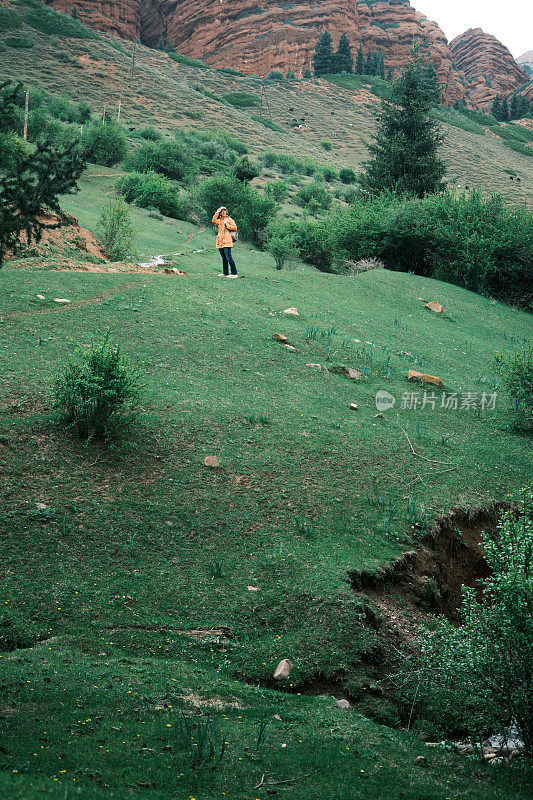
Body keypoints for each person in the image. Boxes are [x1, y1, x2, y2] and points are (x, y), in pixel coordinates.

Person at [212, 206, 238, 277]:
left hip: (227, 241)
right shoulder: (219, 220)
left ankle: (234, 273)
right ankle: (225, 272)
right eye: (222, 211)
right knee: (224, 258)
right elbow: (213, 220)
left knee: (229, 258)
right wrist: (217, 211)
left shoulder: (229, 219)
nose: (223, 212)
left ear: (226, 212)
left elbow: (235, 227)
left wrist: (227, 226)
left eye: (224, 211)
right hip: (220, 242)